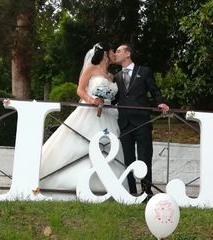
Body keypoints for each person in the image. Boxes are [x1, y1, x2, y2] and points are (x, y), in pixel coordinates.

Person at [40, 42, 128, 192]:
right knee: (84, 144)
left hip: (108, 114)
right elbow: (80, 90)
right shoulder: (91, 69)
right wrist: (92, 100)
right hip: (90, 112)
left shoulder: (111, 76)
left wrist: (106, 100)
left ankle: (107, 186)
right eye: (113, 51)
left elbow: (113, 96)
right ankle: (72, 182)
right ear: (106, 53)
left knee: (107, 146)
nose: (115, 54)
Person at [113, 43, 169, 196]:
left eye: (118, 51)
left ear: (127, 53)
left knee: (145, 158)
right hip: (124, 123)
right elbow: (116, 98)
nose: (115, 54)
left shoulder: (144, 71)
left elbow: (154, 89)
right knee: (128, 160)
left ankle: (146, 192)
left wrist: (161, 102)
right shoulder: (116, 77)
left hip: (142, 122)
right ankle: (132, 193)